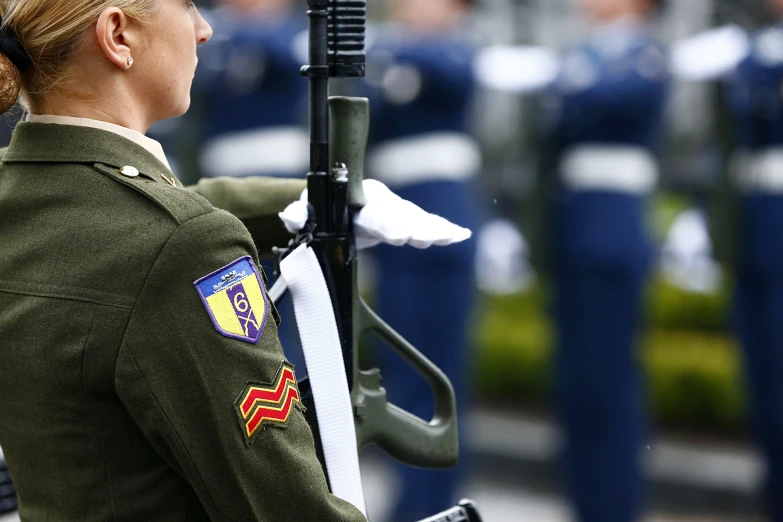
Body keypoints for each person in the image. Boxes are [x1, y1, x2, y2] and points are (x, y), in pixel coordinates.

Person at [0, 1, 469, 519]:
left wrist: (300, 203)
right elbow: (288, 507)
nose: (204, 30)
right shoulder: (185, 250)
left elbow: (125, 213)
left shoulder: (24, 199)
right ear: (117, 35)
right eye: (186, 6)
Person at [541, 1, 669, 521]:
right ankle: (586, 505)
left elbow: (611, 99)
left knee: (610, 383)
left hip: (612, 233)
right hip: (572, 228)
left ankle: (615, 508)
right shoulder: (585, 57)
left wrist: (573, 85)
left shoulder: (645, 56)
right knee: (577, 385)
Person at [363, 1, 479, 520]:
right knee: (404, 375)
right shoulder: (391, 55)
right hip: (394, 232)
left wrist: (389, 54)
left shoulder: (456, 49)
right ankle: (413, 505)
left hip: (442, 226)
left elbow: (452, 71)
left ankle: (437, 502)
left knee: (443, 374)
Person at [672, 1, 783, 518]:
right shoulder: (749, 45)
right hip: (756, 226)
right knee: (764, 385)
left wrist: (755, 63)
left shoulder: (757, 54)